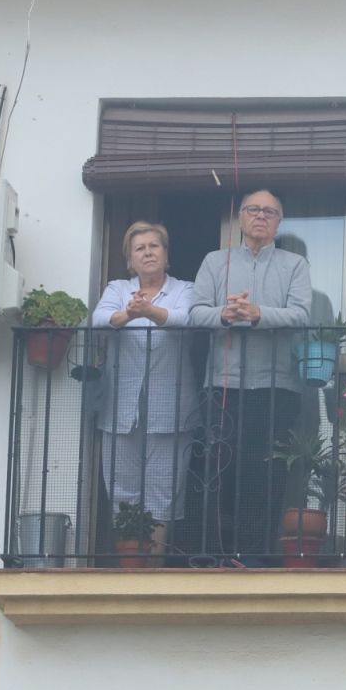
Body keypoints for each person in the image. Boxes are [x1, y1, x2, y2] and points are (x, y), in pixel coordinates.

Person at [186, 189, 312, 561]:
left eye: (270, 212)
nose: (261, 216)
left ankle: (255, 556)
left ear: (279, 222)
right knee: (217, 473)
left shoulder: (295, 265)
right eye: (254, 210)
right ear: (240, 217)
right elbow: (195, 313)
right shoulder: (215, 261)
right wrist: (224, 315)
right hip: (222, 384)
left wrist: (257, 314)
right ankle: (215, 555)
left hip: (276, 387)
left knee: (265, 477)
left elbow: (302, 315)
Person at [90, 222, 199, 553]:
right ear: (129, 261)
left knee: (162, 495)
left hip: (171, 409)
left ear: (167, 256)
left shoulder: (185, 289)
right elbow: (98, 319)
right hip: (120, 409)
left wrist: (148, 311)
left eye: (155, 246)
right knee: (122, 493)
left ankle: (153, 573)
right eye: (140, 248)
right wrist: (128, 314)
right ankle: (129, 576)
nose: (148, 252)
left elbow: (189, 319)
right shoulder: (118, 288)